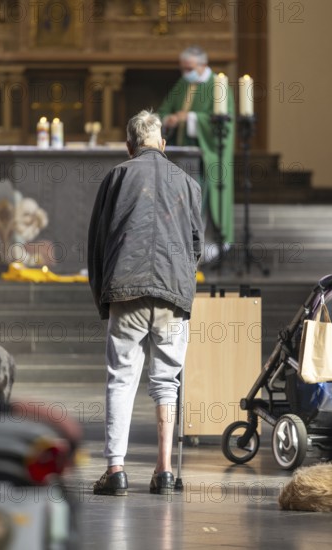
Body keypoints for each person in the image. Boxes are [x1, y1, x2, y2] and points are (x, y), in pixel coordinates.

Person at [88, 110, 203, 496]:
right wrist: (182, 284)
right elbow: (197, 246)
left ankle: (116, 471)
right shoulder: (188, 182)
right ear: (163, 145)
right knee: (166, 383)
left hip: (126, 289)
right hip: (173, 292)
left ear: (129, 145)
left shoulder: (117, 176)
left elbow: (97, 243)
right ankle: (164, 471)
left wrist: (103, 296)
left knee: (121, 378)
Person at [158, 45, 235, 262]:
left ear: (203, 65)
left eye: (189, 68)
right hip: (184, 157)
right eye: (183, 68)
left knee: (206, 200)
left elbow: (223, 125)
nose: (185, 73)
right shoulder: (183, 84)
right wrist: (169, 119)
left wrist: (189, 118)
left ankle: (209, 248)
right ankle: (183, 247)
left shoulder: (219, 87)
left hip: (207, 156)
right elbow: (164, 109)